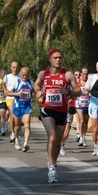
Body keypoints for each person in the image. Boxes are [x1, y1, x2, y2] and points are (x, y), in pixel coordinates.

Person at [34, 49, 81, 183]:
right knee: (52, 137)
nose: (58, 60)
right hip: (47, 109)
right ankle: (52, 169)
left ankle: (53, 162)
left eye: (60, 57)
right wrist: (38, 91)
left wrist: (69, 91)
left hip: (62, 111)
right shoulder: (44, 74)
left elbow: (78, 90)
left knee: (58, 142)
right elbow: (36, 84)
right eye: (55, 58)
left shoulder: (67, 74)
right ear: (50, 59)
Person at [5, 67, 33, 152]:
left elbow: (34, 91)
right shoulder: (16, 82)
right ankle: (16, 139)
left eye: (26, 75)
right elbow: (7, 92)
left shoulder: (31, 82)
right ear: (20, 74)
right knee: (17, 127)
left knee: (27, 125)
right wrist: (17, 94)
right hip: (17, 108)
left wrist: (36, 94)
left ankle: (25, 144)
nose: (25, 77)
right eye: (23, 75)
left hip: (27, 108)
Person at [3, 61, 20, 143]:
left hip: (18, 99)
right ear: (11, 67)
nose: (15, 69)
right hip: (9, 98)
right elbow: (3, 83)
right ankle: (12, 133)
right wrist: (5, 90)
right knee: (12, 114)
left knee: (17, 117)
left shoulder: (21, 76)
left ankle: (16, 131)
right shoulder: (7, 77)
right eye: (13, 67)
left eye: (16, 67)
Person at [76, 67, 90, 147]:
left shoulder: (89, 82)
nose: (85, 75)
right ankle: (81, 138)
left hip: (88, 104)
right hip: (79, 104)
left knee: (85, 123)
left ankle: (84, 136)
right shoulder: (77, 82)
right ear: (81, 74)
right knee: (81, 121)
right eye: (84, 74)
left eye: (86, 74)